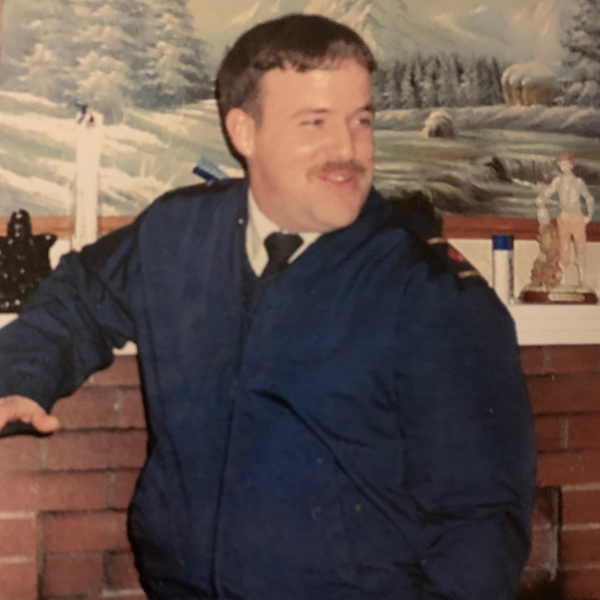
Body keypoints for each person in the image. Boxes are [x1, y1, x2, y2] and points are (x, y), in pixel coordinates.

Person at [0, 14, 535, 600]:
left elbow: (481, 522)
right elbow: (81, 293)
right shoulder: (177, 232)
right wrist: (22, 376)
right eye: (315, 122)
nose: (348, 150)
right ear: (243, 132)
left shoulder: (433, 292)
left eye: (362, 121)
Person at [536, 151, 595, 286]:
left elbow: (589, 198)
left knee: (580, 248)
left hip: (577, 218)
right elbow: (548, 191)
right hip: (564, 218)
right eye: (561, 165)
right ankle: (562, 281)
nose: (563, 167)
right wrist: (541, 198)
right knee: (563, 248)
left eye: (565, 164)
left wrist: (589, 215)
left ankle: (582, 281)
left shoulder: (578, 182)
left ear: (571, 165)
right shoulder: (558, 181)